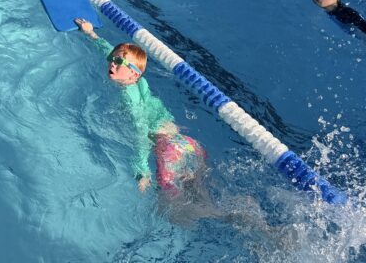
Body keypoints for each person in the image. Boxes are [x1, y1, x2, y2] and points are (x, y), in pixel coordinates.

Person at [73, 18, 276, 233]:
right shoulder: (140, 82)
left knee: (174, 212)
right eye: (112, 59)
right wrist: (91, 33)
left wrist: (141, 169)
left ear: (133, 73)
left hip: (170, 152)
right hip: (188, 145)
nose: (112, 63)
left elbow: (141, 132)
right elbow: (110, 52)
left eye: (118, 62)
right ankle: (252, 219)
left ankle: (242, 219)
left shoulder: (129, 98)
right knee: (202, 196)